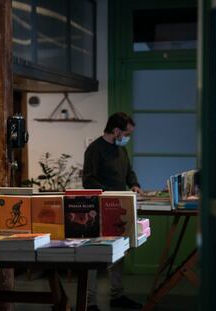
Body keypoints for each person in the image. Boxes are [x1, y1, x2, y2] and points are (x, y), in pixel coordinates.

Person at [82, 112, 143, 311]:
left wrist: (133, 184)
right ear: (116, 130)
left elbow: (128, 172)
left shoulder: (121, 150)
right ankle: (89, 302)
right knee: (96, 255)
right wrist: (109, 194)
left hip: (119, 206)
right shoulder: (95, 149)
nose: (128, 138)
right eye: (126, 133)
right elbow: (88, 180)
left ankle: (117, 295)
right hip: (99, 208)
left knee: (120, 251)